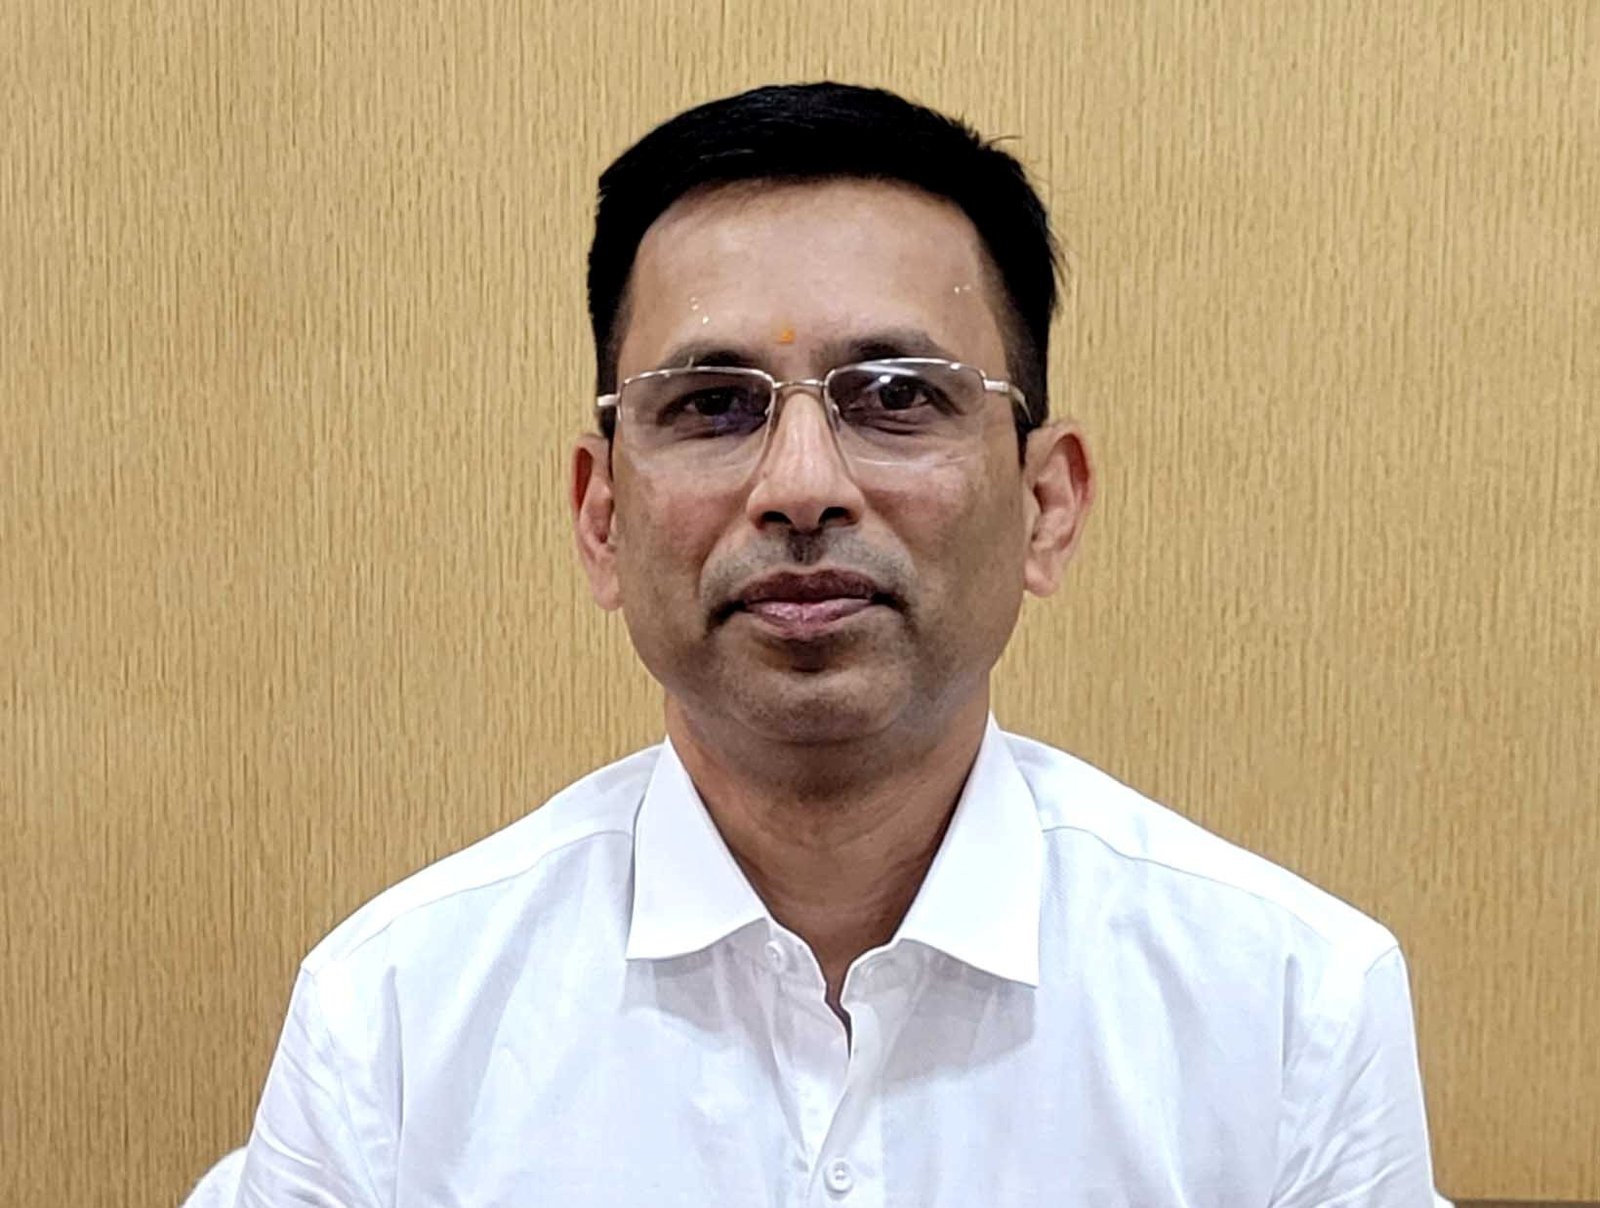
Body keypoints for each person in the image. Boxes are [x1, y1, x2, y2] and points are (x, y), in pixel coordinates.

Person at [228, 82, 1441, 1205]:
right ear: (601, 516)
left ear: (1046, 503)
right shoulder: (393, 1020)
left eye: (897, 394)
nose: (801, 486)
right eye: (711, 405)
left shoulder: (1289, 1010)